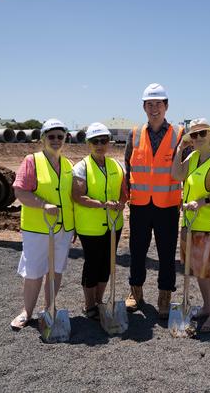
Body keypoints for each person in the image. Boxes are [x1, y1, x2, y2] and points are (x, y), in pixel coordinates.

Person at [125, 83, 184, 320]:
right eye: (150, 104)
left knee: (167, 253)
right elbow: (128, 165)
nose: (154, 108)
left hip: (168, 205)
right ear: (143, 107)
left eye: (158, 104)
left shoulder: (179, 135)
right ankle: (135, 291)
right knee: (137, 250)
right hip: (139, 203)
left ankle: (164, 295)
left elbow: (185, 169)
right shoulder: (135, 133)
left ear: (166, 106)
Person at [10, 119, 75, 330]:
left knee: (55, 270)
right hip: (38, 228)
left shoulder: (68, 164)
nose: (56, 140)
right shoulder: (32, 161)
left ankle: (49, 309)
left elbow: (70, 197)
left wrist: (73, 226)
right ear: (43, 139)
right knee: (34, 271)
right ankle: (26, 312)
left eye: (60, 136)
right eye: (51, 136)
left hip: (63, 228)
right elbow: (20, 191)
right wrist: (43, 204)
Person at [171, 118, 210, 333]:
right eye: (194, 135)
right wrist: (179, 150)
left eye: (202, 134)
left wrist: (202, 202)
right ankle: (207, 306)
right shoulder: (193, 157)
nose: (198, 138)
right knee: (200, 270)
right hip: (191, 224)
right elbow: (176, 175)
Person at [72, 122, 128, 319]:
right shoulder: (81, 167)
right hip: (90, 226)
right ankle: (89, 305)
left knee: (107, 263)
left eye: (103, 140)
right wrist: (103, 205)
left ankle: (99, 300)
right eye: (95, 141)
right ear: (88, 143)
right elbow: (78, 196)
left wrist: (121, 203)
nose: (99, 144)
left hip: (114, 225)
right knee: (93, 264)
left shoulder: (116, 165)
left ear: (109, 142)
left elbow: (124, 193)